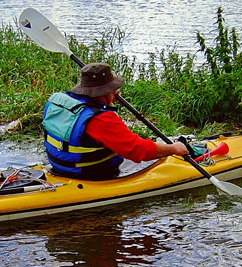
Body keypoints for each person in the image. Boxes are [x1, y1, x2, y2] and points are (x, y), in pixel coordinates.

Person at [42, 62, 191, 180]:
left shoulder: (61, 102)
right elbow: (138, 150)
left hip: (59, 166)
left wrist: (107, 100)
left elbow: (88, 117)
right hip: (88, 173)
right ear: (105, 91)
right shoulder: (101, 119)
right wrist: (173, 148)